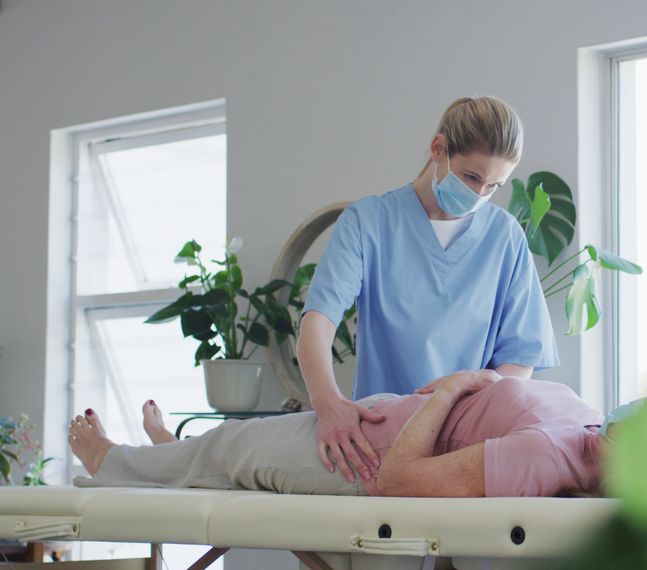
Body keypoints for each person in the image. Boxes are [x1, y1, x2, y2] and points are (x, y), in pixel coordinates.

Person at [296, 96, 559, 485]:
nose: (479, 195)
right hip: (381, 438)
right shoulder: (369, 222)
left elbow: (520, 360)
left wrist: (476, 404)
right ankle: (168, 446)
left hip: (468, 439)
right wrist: (329, 406)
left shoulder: (504, 236)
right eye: (471, 178)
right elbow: (317, 321)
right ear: (439, 150)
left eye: (494, 186)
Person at [70, 372, 601, 497]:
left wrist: (452, 389)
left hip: (365, 454)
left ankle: (113, 463)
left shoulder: (548, 456)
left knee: (228, 448)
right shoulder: (584, 423)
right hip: (384, 419)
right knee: (225, 446)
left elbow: (398, 480)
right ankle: (173, 453)